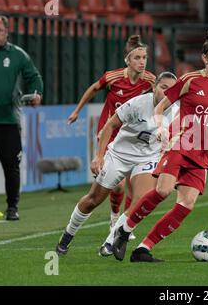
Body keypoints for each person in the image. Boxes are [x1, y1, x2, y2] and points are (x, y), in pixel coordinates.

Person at [111, 29, 208, 263]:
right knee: (162, 190)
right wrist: (161, 129)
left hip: (201, 154)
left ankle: (142, 250)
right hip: (180, 144)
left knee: (186, 204)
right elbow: (160, 108)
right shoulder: (190, 80)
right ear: (205, 58)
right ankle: (123, 230)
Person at [55, 72, 178, 255]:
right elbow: (110, 126)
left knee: (140, 201)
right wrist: (99, 156)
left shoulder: (176, 112)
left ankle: (110, 241)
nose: (168, 94)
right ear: (154, 88)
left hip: (147, 157)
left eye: (173, 90)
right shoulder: (138, 103)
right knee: (93, 200)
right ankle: (67, 235)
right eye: (163, 88)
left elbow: (179, 140)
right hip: (119, 155)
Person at [67, 35, 156, 229]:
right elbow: (93, 88)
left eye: (144, 58)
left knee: (134, 183)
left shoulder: (150, 80)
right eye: (137, 58)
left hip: (132, 136)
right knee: (117, 185)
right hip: (109, 132)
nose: (142, 62)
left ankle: (121, 224)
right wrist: (76, 111)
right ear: (128, 60)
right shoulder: (113, 77)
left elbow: (162, 99)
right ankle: (115, 217)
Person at [0, 14, 43, 222]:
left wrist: (36, 93)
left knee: (11, 167)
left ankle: (12, 207)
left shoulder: (18, 55)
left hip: (8, 122)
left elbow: (34, 77)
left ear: (6, 33)